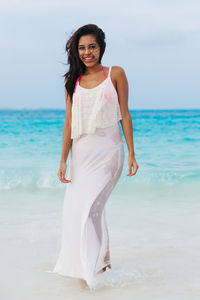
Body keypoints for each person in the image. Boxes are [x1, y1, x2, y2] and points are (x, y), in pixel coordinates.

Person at [53, 24, 139, 289]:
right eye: (82, 48)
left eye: (92, 46)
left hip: (109, 153)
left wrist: (133, 154)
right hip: (81, 155)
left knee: (89, 209)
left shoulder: (116, 74)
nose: (87, 52)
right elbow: (68, 123)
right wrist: (63, 159)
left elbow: (125, 114)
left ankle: (88, 273)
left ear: (101, 47)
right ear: (76, 51)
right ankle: (102, 264)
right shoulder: (72, 81)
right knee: (80, 212)